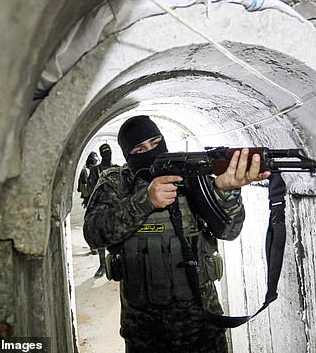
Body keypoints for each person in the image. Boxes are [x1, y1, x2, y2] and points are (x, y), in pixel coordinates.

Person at [83, 116, 270, 352]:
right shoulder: (116, 184)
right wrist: (144, 202)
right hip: (145, 333)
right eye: (139, 149)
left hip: (204, 327)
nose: (151, 151)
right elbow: (94, 234)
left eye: (155, 142)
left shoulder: (191, 176)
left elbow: (230, 231)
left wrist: (226, 192)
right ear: (128, 155)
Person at [87, 143, 118, 278]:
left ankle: (116, 263)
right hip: (101, 209)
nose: (107, 154)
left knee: (117, 235)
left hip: (116, 208)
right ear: (101, 154)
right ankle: (103, 265)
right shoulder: (95, 170)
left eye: (109, 151)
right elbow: (90, 189)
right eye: (104, 152)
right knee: (100, 236)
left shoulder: (117, 169)